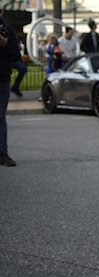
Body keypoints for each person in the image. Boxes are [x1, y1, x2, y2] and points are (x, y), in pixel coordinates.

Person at [1, 8, 22, 166]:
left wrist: (5, 44)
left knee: (1, 117)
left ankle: (3, 153)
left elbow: (16, 56)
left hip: (2, 79)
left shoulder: (7, 31)